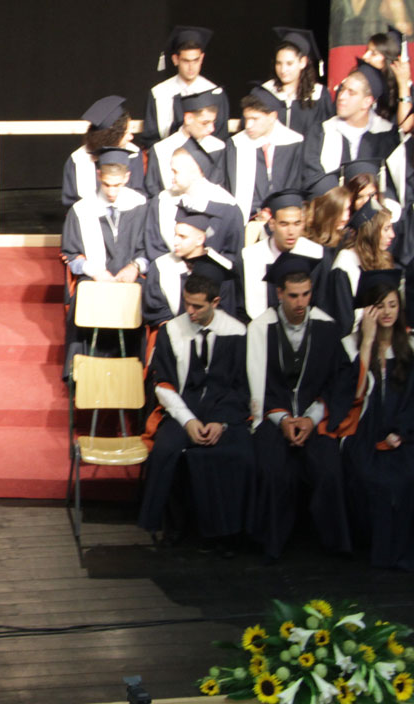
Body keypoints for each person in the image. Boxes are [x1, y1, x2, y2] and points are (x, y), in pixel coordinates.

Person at [244, 255, 353, 561]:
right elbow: (255, 383)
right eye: (293, 295)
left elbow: (337, 380)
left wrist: (311, 418)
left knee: (329, 469)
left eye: (306, 294)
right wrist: (282, 419)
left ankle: (334, 544)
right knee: (272, 471)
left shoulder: (326, 327)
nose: (301, 303)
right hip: (272, 416)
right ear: (279, 293)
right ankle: (273, 544)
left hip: (315, 416)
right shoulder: (260, 328)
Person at [138, 272, 253, 552]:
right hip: (182, 409)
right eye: (187, 303)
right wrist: (188, 420)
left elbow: (240, 387)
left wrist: (221, 422)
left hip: (224, 410)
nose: (190, 311)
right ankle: (174, 527)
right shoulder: (171, 331)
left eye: (198, 306)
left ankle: (225, 534)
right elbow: (163, 384)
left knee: (237, 454)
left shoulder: (236, 332)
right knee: (166, 451)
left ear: (215, 302)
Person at [338, 278, 414, 569]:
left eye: (393, 305)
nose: (387, 312)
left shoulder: (409, 346)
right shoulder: (350, 345)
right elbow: (353, 396)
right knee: (373, 479)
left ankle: (402, 553)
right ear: (368, 310)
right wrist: (368, 342)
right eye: (380, 306)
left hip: (403, 433)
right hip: (363, 433)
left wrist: (401, 433)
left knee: (406, 477)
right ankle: (379, 552)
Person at [61, 149, 149, 289]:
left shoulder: (140, 206)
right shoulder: (82, 209)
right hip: (93, 281)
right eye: (107, 184)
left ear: (126, 177)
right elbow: (70, 254)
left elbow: (151, 247)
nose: (111, 192)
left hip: (135, 280)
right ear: (99, 175)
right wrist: (94, 271)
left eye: (117, 185)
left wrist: (135, 266)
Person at [301, 67, 399, 193]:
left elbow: (392, 185)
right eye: (342, 89)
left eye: (351, 93)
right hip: (331, 201)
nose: (341, 96)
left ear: (367, 102)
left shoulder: (386, 134)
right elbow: (312, 177)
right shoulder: (320, 131)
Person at [236, 189, 327, 320]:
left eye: (297, 223)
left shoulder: (316, 254)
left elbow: (322, 304)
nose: (291, 231)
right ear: (272, 224)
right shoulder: (249, 257)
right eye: (284, 224)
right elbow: (240, 308)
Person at [143, 148, 245, 262]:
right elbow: (155, 247)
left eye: (175, 172)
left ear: (195, 172)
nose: (171, 178)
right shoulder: (162, 201)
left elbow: (233, 254)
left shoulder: (226, 206)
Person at [144, 211, 240, 326]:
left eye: (182, 237)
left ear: (200, 240)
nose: (175, 242)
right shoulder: (161, 265)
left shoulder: (221, 267)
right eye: (175, 235)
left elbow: (225, 310)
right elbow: (155, 309)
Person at [141, 27, 227, 149]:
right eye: (186, 61)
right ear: (175, 60)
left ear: (202, 58)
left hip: (206, 158)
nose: (191, 67)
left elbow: (220, 137)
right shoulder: (158, 94)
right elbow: (150, 139)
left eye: (195, 60)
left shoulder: (215, 93)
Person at [319, 203, 400, 331]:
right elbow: (344, 320)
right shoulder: (345, 264)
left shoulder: (381, 258)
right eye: (386, 229)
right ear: (371, 232)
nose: (392, 235)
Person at [229, 87, 306, 220]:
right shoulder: (236, 144)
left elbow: (295, 185)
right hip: (249, 217)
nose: (248, 125)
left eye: (255, 119)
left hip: (282, 216)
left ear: (272, 117)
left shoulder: (293, 142)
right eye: (246, 119)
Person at [61, 96, 146, 209]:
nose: (131, 137)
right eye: (126, 132)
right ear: (112, 136)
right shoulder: (78, 160)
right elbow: (70, 203)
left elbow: (139, 194)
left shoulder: (133, 154)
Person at [145, 91, 230, 197]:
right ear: (188, 118)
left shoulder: (218, 147)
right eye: (205, 123)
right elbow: (153, 189)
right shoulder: (162, 149)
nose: (211, 129)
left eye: (213, 122)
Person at [261, 27, 334, 138]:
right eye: (279, 63)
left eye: (289, 63)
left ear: (302, 62)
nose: (283, 70)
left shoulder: (319, 95)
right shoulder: (265, 92)